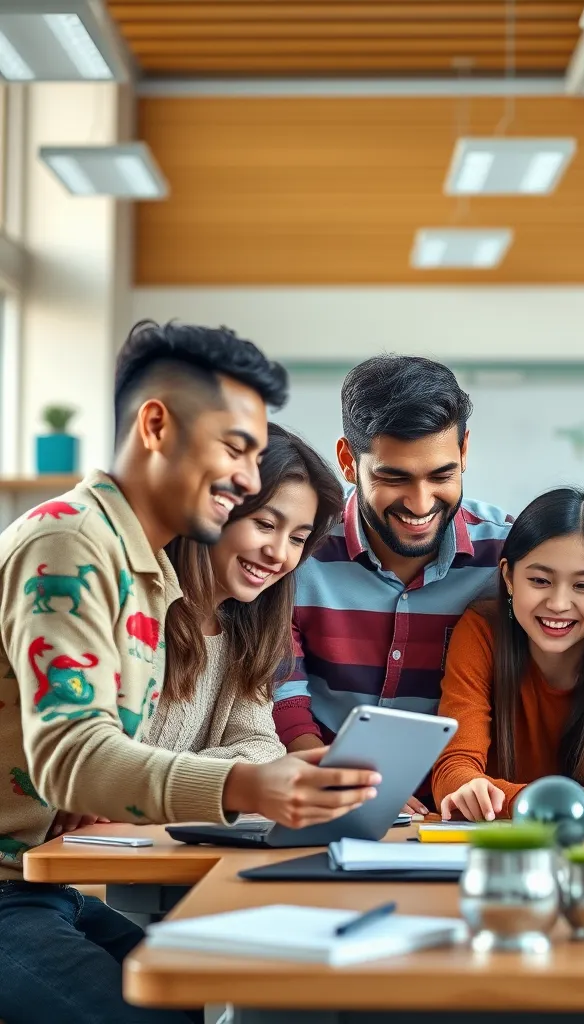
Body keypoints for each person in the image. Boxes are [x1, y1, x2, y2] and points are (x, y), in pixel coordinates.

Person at [0, 321, 380, 1024]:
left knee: (192, 1002)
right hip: (10, 891)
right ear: (156, 426)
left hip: (35, 886)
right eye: (235, 448)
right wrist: (245, 783)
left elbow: (102, 763)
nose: (244, 478)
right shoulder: (68, 544)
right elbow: (72, 757)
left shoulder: (148, 574)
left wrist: (130, 779)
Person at [273, 355, 512, 813]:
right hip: (322, 797)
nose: (421, 504)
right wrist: (338, 785)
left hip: (464, 809)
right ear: (348, 460)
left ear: (464, 453)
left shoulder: (507, 556)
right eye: (393, 477)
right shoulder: (298, 549)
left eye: (442, 475)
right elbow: (284, 690)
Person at [431, 488, 584, 835]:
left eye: (583, 585)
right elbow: (454, 770)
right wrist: (558, 803)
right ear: (508, 577)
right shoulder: (482, 631)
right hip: (503, 847)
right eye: (540, 581)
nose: (558, 603)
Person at [144, 423, 344, 764]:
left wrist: (159, 776)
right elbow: (106, 763)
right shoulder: (135, 605)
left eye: (297, 539)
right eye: (265, 524)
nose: (279, 554)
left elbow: (262, 748)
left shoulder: (247, 631)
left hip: (156, 819)